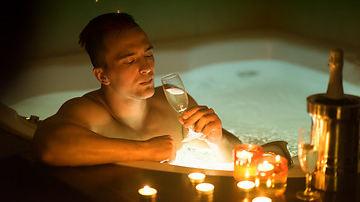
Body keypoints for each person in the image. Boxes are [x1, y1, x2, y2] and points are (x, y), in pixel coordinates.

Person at [31, 13, 242, 166]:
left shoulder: (171, 102)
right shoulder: (89, 111)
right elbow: (49, 146)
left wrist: (217, 139)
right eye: (130, 60)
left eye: (148, 55)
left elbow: (235, 159)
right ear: (102, 76)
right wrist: (144, 150)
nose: (147, 68)